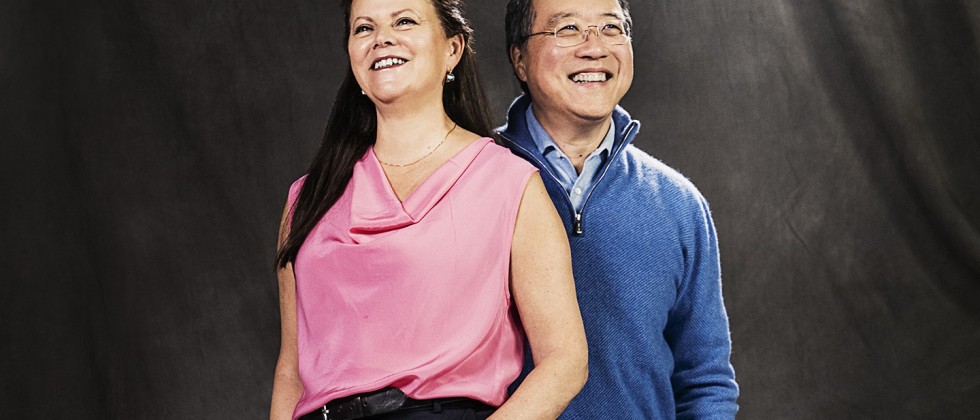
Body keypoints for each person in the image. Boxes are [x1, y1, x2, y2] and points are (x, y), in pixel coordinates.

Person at [269, 0, 588, 419]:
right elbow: (292, 371)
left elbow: (565, 362)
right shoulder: (308, 197)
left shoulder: (509, 184)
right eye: (364, 28)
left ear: (452, 48)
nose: (382, 38)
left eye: (404, 20)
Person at [498, 0, 739, 418]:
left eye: (611, 28)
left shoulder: (679, 205)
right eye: (568, 29)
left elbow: (705, 381)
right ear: (519, 59)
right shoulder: (471, 183)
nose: (594, 48)